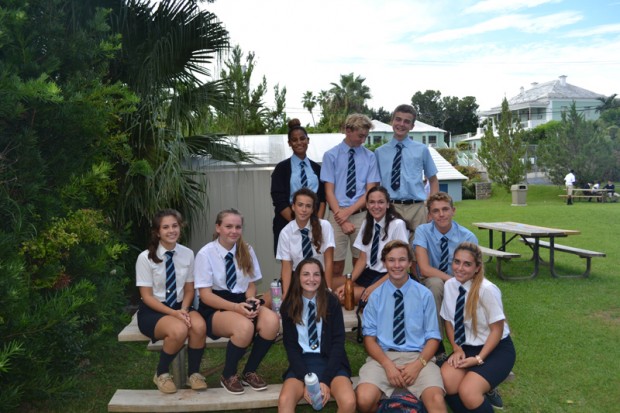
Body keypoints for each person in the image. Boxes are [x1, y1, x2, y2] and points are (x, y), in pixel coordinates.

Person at [194, 209, 280, 395]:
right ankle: (228, 375)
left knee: (272, 321)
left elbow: (250, 284)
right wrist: (236, 308)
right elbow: (206, 296)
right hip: (215, 306)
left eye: (238, 227)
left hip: (241, 302)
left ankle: (249, 371)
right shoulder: (205, 254)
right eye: (228, 226)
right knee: (244, 327)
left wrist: (250, 299)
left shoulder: (246, 249)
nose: (234, 231)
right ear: (218, 228)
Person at [356, 240, 446, 413]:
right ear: (384, 263)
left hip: (419, 356)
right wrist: (387, 365)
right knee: (364, 400)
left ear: (410, 263)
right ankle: (391, 407)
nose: (397, 265)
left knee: (436, 402)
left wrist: (418, 365)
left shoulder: (424, 295)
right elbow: (369, 340)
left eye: (402, 260)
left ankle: (407, 403)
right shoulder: (375, 297)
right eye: (391, 260)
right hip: (383, 357)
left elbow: (433, 338)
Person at [136, 209, 207, 393]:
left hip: (181, 305)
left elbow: (189, 289)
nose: (171, 230)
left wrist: (183, 309)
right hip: (154, 310)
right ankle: (161, 373)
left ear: (180, 227)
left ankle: (194, 374)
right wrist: (174, 314)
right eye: (165, 227)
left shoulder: (188, 254)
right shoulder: (145, 258)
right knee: (179, 329)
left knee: (199, 326)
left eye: (175, 226)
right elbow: (147, 296)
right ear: (157, 232)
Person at [440, 242, 516, 413]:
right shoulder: (450, 285)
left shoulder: (487, 290)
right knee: (446, 382)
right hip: (467, 347)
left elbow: (497, 330)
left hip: (496, 349)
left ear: (477, 268)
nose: (460, 268)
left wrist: (479, 359)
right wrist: (456, 348)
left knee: (469, 391)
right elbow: (448, 322)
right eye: (457, 262)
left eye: (467, 264)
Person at [278, 258, 356, 413]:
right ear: (298, 277)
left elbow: (338, 342)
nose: (311, 279)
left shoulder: (332, 302)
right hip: (302, 362)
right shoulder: (288, 305)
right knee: (284, 401)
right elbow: (291, 347)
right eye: (306, 274)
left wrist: (326, 380)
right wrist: (306, 380)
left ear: (322, 277)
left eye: (316, 274)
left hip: (331, 361)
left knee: (349, 402)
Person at [413, 192, 478, 351]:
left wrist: (456, 283)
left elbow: (475, 271)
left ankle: (470, 342)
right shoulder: (423, 231)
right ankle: (436, 344)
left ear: (453, 211)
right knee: (436, 285)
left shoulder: (467, 237)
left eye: (445, 209)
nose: (441, 214)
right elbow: (424, 269)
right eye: (435, 211)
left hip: (461, 281)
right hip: (431, 280)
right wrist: (451, 281)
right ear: (429, 215)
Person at [321, 113, 380, 281]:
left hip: (361, 215)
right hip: (336, 214)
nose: (363, 140)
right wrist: (341, 218)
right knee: (335, 264)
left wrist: (348, 213)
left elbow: (370, 191)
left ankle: (356, 294)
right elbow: (329, 191)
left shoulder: (370, 157)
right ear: (348, 130)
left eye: (366, 136)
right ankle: (333, 294)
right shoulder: (331, 156)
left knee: (360, 262)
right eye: (360, 136)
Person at [334, 186, 409, 303]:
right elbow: (362, 259)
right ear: (367, 205)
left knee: (342, 297)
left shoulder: (397, 224)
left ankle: (373, 296)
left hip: (388, 275)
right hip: (369, 273)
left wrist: (374, 287)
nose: (376, 206)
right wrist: (348, 283)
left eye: (381, 202)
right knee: (330, 285)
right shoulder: (366, 223)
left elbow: (400, 266)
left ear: (388, 204)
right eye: (372, 202)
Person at [375, 104, 439, 239]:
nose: (401, 124)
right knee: (391, 248)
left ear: (412, 126)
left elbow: (433, 181)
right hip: (391, 208)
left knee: (418, 248)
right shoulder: (379, 152)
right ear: (391, 121)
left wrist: (431, 208)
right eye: (398, 119)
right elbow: (375, 185)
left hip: (417, 209)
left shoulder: (422, 150)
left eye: (406, 121)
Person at [271, 118, 326, 255]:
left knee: (314, 260)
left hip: (314, 223)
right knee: (290, 262)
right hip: (287, 222)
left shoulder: (317, 168)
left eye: (302, 138)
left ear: (308, 140)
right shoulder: (281, 168)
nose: (299, 142)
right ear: (289, 143)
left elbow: (322, 198)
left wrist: (316, 223)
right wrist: (298, 223)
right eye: (294, 140)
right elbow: (279, 199)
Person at [276, 188, 335, 297]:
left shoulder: (324, 226)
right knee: (271, 298)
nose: (304, 210)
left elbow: (328, 262)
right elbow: (286, 267)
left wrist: (328, 289)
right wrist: (286, 294)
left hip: (318, 277)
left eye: (308, 206)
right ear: (293, 207)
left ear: (313, 209)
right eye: (300, 205)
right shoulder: (285, 232)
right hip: (297, 278)